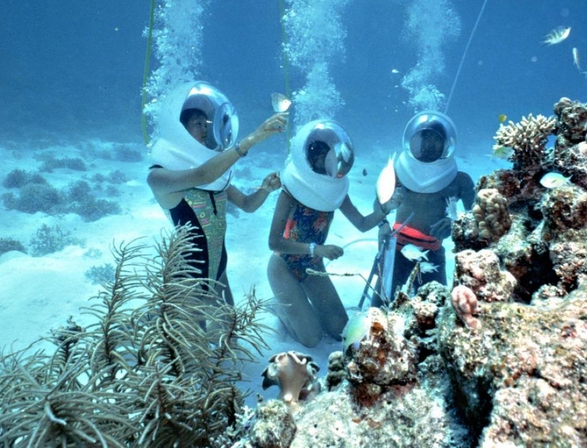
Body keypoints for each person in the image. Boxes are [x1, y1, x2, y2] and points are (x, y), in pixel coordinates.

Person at [147, 81, 287, 308]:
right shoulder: (158, 177)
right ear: (180, 130)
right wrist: (252, 139)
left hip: (219, 273)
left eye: (207, 124)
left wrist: (265, 190)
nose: (205, 130)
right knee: (190, 343)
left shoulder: (216, 178)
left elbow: (247, 205)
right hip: (186, 282)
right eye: (197, 124)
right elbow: (201, 174)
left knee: (230, 341)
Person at [267, 120, 399, 347]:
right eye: (318, 157)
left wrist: (387, 208)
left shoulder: (335, 192)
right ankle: (280, 306)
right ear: (309, 160)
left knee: (340, 331)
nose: (324, 162)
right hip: (283, 265)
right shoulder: (289, 192)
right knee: (311, 338)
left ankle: (299, 307)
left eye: (327, 157)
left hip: (312, 266)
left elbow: (362, 223)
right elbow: (274, 243)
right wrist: (316, 249)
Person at [372, 111, 475, 307]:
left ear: (446, 144)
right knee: (380, 309)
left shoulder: (460, 181)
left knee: (433, 312)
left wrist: (455, 222)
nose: (429, 145)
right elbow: (378, 200)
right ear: (412, 141)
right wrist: (382, 224)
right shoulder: (398, 172)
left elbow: (475, 215)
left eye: (436, 140)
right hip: (397, 249)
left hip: (432, 253)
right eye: (423, 139)